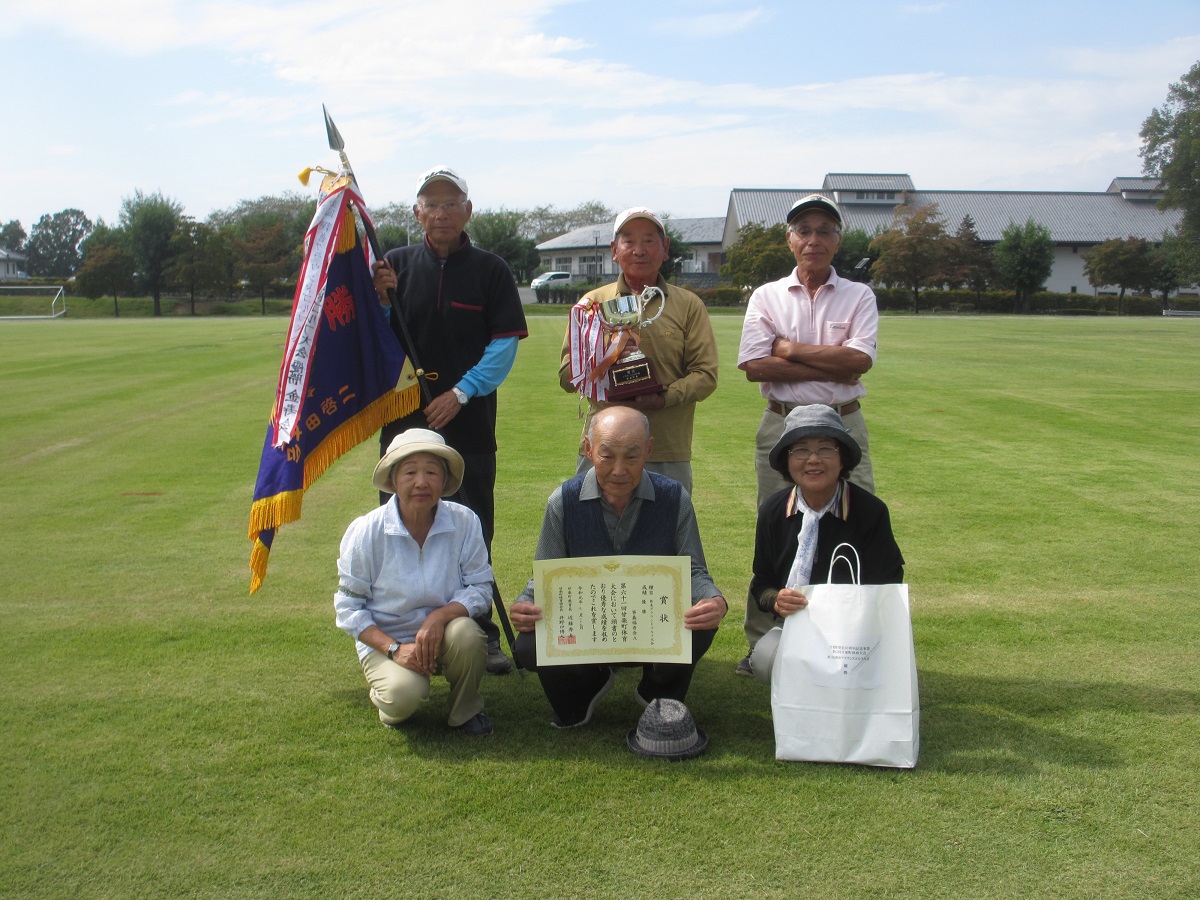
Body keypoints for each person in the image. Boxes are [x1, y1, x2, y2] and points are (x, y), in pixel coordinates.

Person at [372, 165, 528, 675]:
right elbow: (373, 344)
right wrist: (378, 302)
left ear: (468, 211)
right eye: (430, 204)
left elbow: (503, 346)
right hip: (403, 421)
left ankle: (478, 632)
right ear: (417, 213)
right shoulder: (391, 267)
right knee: (401, 524)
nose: (440, 212)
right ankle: (398, 632)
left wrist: (460, 393)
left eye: (450, 202)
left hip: (468, 422)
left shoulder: (491, 269)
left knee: (473, 527)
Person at [509, 406, 728, 728]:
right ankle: (586, 686)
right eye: (606, 456)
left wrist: (715, 600)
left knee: (702, 622)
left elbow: (693, 569)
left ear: (649, 450)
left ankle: (658, 688)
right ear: (588, 449)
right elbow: (546, 575)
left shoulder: (674, 498)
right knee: (528, 647)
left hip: (650, 622)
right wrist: (525, 604)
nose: (619, 470)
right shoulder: (563, 501)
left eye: (632, 456)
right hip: (590, 623)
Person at [734, 193, 881, 676]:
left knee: (858, 518)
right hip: (782, 420)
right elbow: (756, 367)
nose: (813, 239)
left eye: (824, 230)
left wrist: (791, 348)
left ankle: (863, 642)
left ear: (837, 240)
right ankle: (762, 644)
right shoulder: (766, 295)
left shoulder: (859, 295)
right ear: (790, 240)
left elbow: (857, 363)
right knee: (775, 523)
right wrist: (827, 355)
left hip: (842, 420)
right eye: (804, 230)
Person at [334, 429, 494, 736]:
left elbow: (480, 588)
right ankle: (389, 691)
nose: (421, 482)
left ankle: (466, 711)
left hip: (444, 633)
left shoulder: (465, 521)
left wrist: (439, 617)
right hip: (386, 638)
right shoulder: (366, 531)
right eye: (410, 472)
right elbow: (348, 608)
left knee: (468, 635)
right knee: (403, 698)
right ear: (394, 481)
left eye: (432, 472)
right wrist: (394, 649)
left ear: (445, 481)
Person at [558, 207, 718, 495]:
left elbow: (705, 376)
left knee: (666, 535)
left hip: (667, 449)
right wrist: (601, 354)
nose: (639, 250)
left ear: (665, 249)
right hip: (603, 450)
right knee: (593, 533)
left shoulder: (688, 305)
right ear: (614, 250)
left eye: (649, 240)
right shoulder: (591, 304)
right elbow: (567, 379)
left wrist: (663, 399)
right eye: (629, 240)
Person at [746, 405, 903, 678]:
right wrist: (776, 600)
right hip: (795, 626)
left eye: (826, 448)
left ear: (843, 459)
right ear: (787, 460)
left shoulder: (870, 511)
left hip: (855, 632)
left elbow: (888, 585)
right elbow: (762, 582)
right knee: (763, 660)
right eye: (801, 450)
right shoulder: (773, 512)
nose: (813, 459)